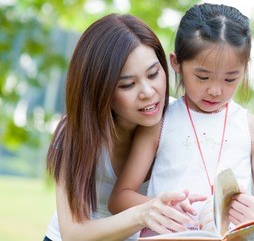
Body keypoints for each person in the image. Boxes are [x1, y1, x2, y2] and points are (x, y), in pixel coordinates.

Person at [109, 3, 254, 235]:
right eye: (202, 77)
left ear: (245, 69)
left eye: (230, 79)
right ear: (176, 64)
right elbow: (119, 198)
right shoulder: (160, 122)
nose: (215, 90)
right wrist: (156, 206)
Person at [44, 13, 206, 241]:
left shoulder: (179, 120)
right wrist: (143, 214)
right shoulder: (76, 131)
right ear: (101, 91)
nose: (148, 93)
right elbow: (73, 233)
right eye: (128, 84)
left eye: (153, 74)